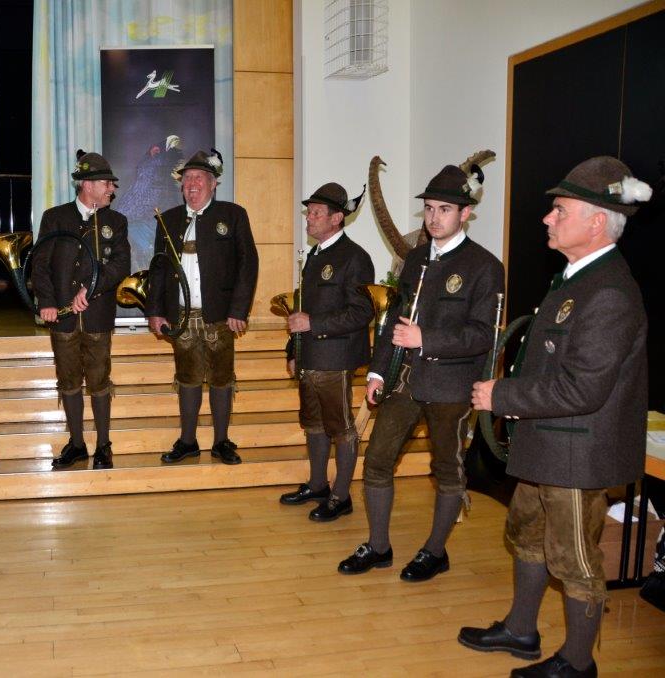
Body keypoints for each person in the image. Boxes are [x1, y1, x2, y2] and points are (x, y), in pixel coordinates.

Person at [459, 156, 651, 678]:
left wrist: (503, 396)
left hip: (576, 453)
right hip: (548, 442)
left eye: (560, 210)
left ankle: (577, 663)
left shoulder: (609, 291)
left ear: (597, 221)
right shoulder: (575, 279)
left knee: (575, 560)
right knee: (525, 535)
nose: (547, 218)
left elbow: (583, 388)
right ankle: (521, 630)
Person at [337, 164, 503, 581]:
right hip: (403, 380)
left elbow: (483, 335)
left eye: (444, 209)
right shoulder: (413, 259)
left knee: (446, 470)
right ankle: (378, 546)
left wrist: (424, 338)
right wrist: (377, 373)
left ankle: (434, 552)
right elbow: (392, 320)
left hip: (451, 386)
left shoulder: (485, 266)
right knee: (377, 461)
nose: (433, 217)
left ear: (465, 213)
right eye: (429, 208)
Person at [146, 149, 259, 465]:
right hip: (180, 317)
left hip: (220, 316)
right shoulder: (167, 219)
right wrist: (155, 310)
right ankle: (188, 441)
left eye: (198, 178)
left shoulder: (233, 215)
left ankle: (221, 441)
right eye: (187, 179)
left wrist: (239, 310)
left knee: (221, 378)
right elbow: (158, 268)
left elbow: (248, 264)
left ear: (213, 184)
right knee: (187, 377)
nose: (192, 184)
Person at [278, 182, 374, 522]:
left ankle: (341, 496)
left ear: (337, 218)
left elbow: (362, 312)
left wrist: (313, 323)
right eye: (309, 212)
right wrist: (293, 350)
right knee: (313, 424)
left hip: (336, 358)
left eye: (316, 213)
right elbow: (301, 309)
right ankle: (318, 485)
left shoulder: (355, 258)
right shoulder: (315, 255)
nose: (309, 218)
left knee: (341, 428)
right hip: (310, 356)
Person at [29, 150, 130, 470]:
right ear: (87, 185)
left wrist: (92, 287)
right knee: (69, 381)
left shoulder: (117, 221)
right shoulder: (55, 217)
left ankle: (103, 446)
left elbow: (121, 265)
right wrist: (46, 301)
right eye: (107, 183)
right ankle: (76, 444)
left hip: (98, 317)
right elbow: (40, 265)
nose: (112, 189)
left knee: (99, 381)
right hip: (62, 317)